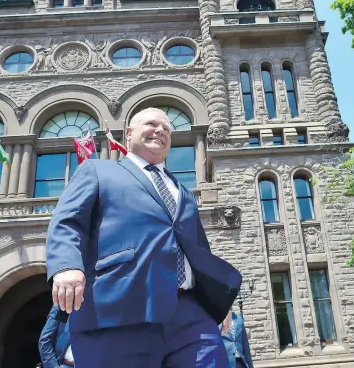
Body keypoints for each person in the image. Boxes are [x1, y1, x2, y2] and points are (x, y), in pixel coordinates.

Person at [46, 107, 242, 368]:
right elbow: (67, 221)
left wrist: (216, 301)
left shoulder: (182, 192)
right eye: (152, 123)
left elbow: (198, 251)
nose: (161, 130)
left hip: (189, 311)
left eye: (167, 129)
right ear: (129, 134)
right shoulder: (97, 170)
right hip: (119, 304)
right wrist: (67, 265)